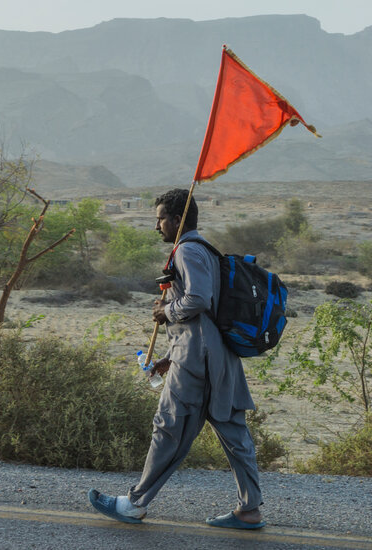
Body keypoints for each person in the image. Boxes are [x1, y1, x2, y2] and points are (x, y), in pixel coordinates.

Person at [88, 188, 265, 530]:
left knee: (169, 429)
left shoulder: (186, 251)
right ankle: (250, 509)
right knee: (234, 435)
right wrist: (169, 357)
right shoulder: (206, 251)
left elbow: (197, 300)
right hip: (216, 358)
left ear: (176, 219)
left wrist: (164, 312)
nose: (157, 227)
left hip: (197, 364)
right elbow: (203, 319)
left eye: (160, 219)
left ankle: (134, 504)